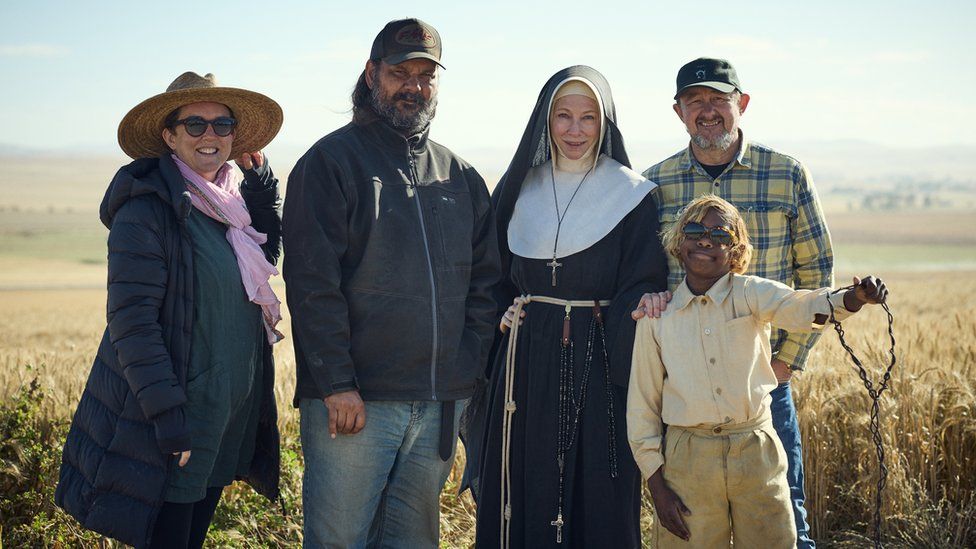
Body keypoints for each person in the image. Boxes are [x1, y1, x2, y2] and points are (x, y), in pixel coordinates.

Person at [281, 18, 501, 548]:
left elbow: (486, 287)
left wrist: (462, 377)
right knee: (340, 541)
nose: (415, 86)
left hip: (436, 407)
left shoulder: (461, 176)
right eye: (401, 72)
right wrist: (336, 382)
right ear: (371, 73)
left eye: (426, 75)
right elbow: (313, 285)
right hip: (356, 404)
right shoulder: (329, 164)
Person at [55, 71, 285, 549]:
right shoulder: (150, 209)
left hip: (225, 417)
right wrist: (169, 418)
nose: (210, 135)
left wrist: (259, 184)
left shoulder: (230, 209)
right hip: (180, 419)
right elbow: (132, 323)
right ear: (169, 136)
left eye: (223, 124)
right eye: (195, 124)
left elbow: (263, 259)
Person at [637, 57, 834, 547]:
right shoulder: (652, 185)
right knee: (689, 525)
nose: (708, 111)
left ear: (741, 104)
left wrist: (786, 361)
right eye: (695, 101)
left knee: (785, 517)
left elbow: (815, 274)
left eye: (719, 99)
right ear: (678, 110)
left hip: (761, 392)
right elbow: (644, 277)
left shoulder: (786, 174)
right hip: (687, 396)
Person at [471, 66, 669, 548]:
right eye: (563, 116)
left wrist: (642, 305)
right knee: (523, 480)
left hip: (598, 362)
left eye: (587, 118)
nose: (575, 130)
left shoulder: (632, 195)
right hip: (524, 359)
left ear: (605, 125)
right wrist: (501, 314)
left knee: (596, 488)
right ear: (546, 119)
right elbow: (488, 269)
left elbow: (642, 278)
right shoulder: (520, 188)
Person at [628, 194, 887, 547]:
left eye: (720, 235)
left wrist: (853, 298)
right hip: (688, 458)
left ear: (735, 253)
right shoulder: (658, 318)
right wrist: (657, 488)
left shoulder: (752, 295)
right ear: (678, 243)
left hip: (755, 450)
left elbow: (799, 306)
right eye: (694, 231)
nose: (705, 240)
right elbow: (642, 407)